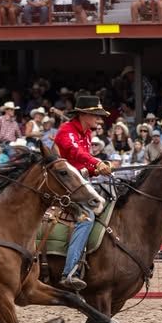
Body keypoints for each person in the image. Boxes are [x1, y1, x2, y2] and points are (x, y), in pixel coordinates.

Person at [53, 96, 113, 290]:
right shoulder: (66, 131)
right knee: (86, 217)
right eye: (96, 115)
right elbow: (76, 153)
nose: (99, 120)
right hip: (65, 186)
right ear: (84, 114)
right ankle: (70, 271)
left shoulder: (86, 133)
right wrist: (97, 163)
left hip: (79, 184)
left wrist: (98, 168)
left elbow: (83, 165)